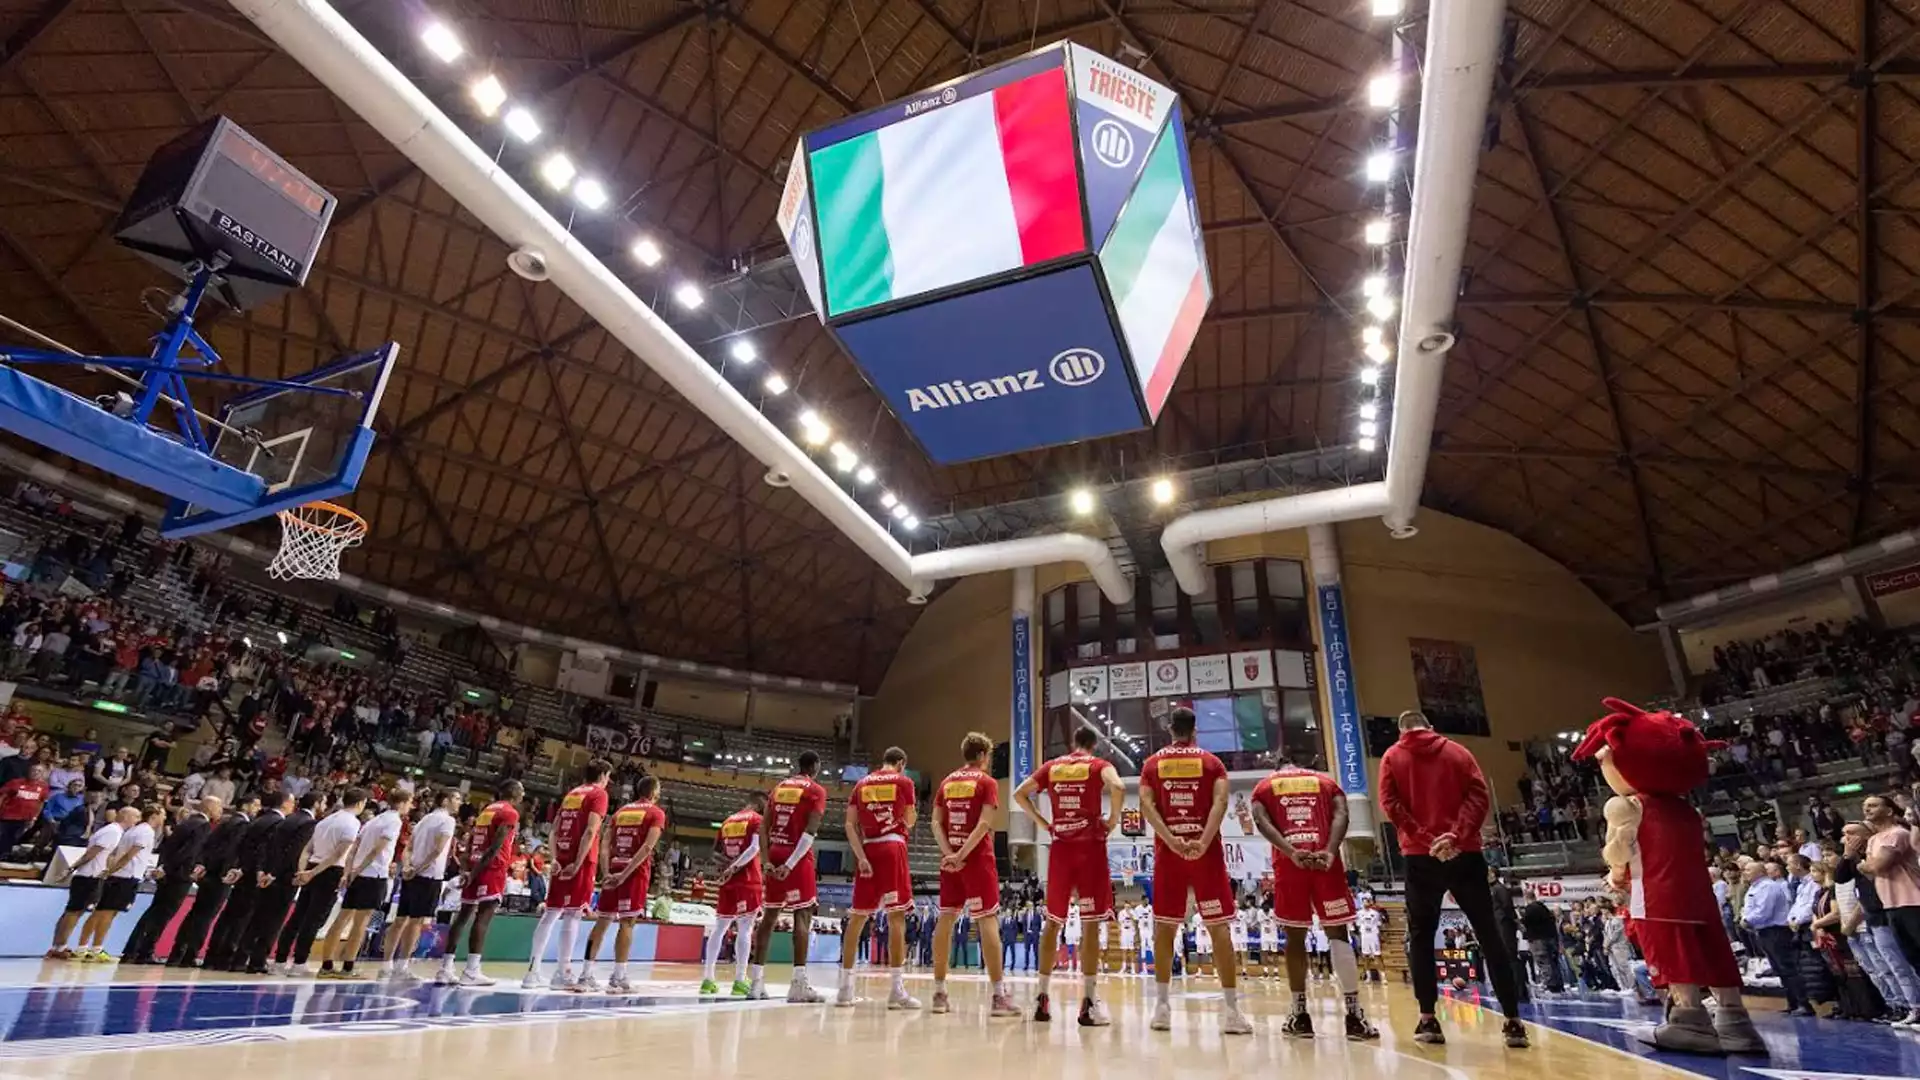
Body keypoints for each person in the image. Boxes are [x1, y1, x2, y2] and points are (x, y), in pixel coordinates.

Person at [1378, 709, 1527, 1048]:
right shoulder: (1458, 752)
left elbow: (1390, 803)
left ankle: (1428, 1019)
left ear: (1402, 731)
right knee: (1489, 933)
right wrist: (1455, 836)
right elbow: (1479, 797)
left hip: (1419, 855)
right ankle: (1513, 1021)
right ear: (1430, 727)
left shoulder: (1392, 756)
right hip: (1465, 853)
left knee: (1420, 935)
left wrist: (1426, 837)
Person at [1139, 706, 1253, 1035]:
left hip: (1169, 855)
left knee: (1165, 929)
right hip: (1207, 855)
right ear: (1195, 730)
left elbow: (1146, 805)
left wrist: (1171, 840)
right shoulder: (1212, 763)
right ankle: (1231, 1012)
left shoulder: (1152, 764)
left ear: (1170, 729)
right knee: (1219, 929)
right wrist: (1202, 841)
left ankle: (1162, 1008)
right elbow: (1220, 804)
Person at [1248, 752, 1377, 1040]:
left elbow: (1259, 820)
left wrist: (1291, 851)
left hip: (1290, 864)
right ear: (1301, 765)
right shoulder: (1325, 782)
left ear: (1277, 767)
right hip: (1324, 862)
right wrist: (1331, 850)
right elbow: (1343, 814)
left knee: (1294, 938)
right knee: (1338, 935)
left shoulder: (1265, 787)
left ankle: (1300, 1015)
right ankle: (1354, 1016)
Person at [1014, 724, 1123, 1025]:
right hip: (1090, 848)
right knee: (1089, 924)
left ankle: (1041, 997)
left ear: (1074, 743)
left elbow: (1020, 794)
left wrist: (1044, 823)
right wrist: (1112, 820)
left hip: (1060, 848)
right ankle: (1088, 1002)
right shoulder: (1099, 765)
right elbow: (1119, 787)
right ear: (1093, 746)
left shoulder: (1052, 767)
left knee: (1052, 923)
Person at [926, 732, 1013, 1016]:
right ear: (983, 756)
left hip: (950, 860)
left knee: (946, 919)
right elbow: (985, 824)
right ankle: (999, 997)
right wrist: (962, 855)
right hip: (976, 860)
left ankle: (939, 993)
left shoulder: (947, 782)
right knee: (987, 920)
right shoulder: (986, 782)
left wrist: (949, 854)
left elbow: (936, 824)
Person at [837, 746, 919, 1009]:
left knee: (857, 918)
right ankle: (896, 990)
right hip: (893, 847)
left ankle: (845, 989)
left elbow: (850, 824)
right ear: (901, 763)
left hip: (868, 848)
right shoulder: (904, 781)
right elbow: (909, 818)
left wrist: (860, 856)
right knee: (897, 918)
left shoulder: (861, 784)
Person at [524, 760, 610, 990]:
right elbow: (591, 830)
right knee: (573, 915)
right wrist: (578, 861)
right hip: (580, 861)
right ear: (602, 775)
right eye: (608, 776)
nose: (608, 781)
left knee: (551, 913)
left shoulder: (572, 793)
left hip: (561, 859)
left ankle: (532, 971)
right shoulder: (599, 794)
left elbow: (553, 830)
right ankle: (563, 972)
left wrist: (554, 858)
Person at [752, 750, 829, 1003]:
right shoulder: (816, 790)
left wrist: (765, 860)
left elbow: (764, 827)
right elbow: (810, 832)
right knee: (802, 916)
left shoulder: (778, 789)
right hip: (797, 856)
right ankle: (798, 984)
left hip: (773, 852)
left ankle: (756, 983)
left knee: (769, 917)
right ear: (815, 767)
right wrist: (791, 863)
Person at [578, 774, 666, 993]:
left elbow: (605, 844)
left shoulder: (620, 812)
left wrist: (607, 872)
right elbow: (647, 848)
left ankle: (585, 975)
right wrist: (625, 874)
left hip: (613, 871)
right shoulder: (656, 813)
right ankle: (618, 977)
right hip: (633, 874)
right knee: (627, 923)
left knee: (602, 921)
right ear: (654, 792)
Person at [433, 780, 523, 986]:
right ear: (513, 793)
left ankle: (445, 968)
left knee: (463, 915)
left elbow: (473, 840)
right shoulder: (510, 813)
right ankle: (472, 970)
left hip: (475, 862)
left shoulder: (487, 810)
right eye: (522, 791)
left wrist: (467, 869)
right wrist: (474, 873)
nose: (523, 795)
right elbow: (494, 847)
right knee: (483, 917)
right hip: (490, 868)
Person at [315, 788, 407, 978]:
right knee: (361, 922)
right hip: (373, 875)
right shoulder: (394, 821)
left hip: (357, 874)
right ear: (403, 803)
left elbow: (355, 846)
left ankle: (326, 965)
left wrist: (349, 871)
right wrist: (357, 870)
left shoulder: (374, 820)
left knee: (342, 918)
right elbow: (377, 849)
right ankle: (348, 967)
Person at [279, 788, 367, 977]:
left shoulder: (326, 819)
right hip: (329, 870)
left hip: (313, 865)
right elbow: (338, 854)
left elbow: (307, 849)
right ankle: (299, 962)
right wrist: (311, 873)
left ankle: (279, 959)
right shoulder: (352, 823)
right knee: (314, 919)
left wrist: (304, 870)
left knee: (299, 915)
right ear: (360, 803)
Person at [124, 797, 218, 964]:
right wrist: (187, 870)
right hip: (179, 876)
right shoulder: (202, 825)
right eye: (219, 807)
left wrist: (163, 867)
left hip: (168, 873)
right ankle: (144, 951)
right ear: (210, 808)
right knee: (162, 915)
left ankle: (133, 950)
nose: (221, 811)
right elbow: (189, 852)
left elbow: (170, 847)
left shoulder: (187, 822)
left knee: (154, 912)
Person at [170, 793, 255, 968]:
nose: (258, 809)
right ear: (246, 806)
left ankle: (177, 953)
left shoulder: (224, 822)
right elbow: (231, 850)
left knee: (195, 914)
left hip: (208, 874)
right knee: (205, 917)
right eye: (255, 805)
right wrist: (227, 871)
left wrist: (203, 865)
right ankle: (189, 955)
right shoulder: (242, 824)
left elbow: (207, 846)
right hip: (218, 877)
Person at [207, 792, 288, 969]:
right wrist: (253, 869)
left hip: (242, 872)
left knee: (229, 916)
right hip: (252, 874)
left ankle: (212, 956)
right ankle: (228, 958)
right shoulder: (276, 823)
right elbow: (262, 850)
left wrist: (238, 867)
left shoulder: (257, 820)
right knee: (242, 919)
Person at [385, 787, 458, 982]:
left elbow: (408, 848)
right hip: (429, 876)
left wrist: (408, 866)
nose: (459, 802)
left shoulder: (424, 819)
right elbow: (438, 850)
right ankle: (402, 966)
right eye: (456, 798)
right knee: (416, 922)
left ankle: (386, 965)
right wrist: (417, 869)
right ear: (445, 801)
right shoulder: (448, 821)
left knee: (400, 919)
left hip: (411, 874)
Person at [241, 792, 318, 975]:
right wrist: (276, 873)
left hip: (268, 873)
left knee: (258, 918)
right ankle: (258, 961)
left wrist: (264, 870)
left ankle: (240, 958)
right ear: (316, 804)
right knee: (273, 921)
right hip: (283, 877)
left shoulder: (288, 819)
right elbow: (295, 852)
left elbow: (268, 846)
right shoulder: (308, 823)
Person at [702, 791, 766, 997]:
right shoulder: (757, 819)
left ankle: (707, 978)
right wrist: (735, 867)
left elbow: (714, 853)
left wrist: (726, 867)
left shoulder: (728, 821)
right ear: (758, 804)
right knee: (745, 929)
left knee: (719, 927)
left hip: (727, 883)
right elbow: (755, 848)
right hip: (747, 880)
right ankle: (740, 980)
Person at [47, 805, 130, 960]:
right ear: (126, 817)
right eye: (136, 817)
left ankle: (58, 945)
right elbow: (92, 853)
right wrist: (71, 868)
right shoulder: (113, 832)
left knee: (73, 911)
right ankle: (59, 947)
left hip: (90, 875)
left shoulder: (114, 831)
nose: (138, 820)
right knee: (74, 912)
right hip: (89, 876)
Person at [86, 803, 161, 962]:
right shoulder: (146, 832)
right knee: (108, 913)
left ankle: (85, 946)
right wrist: (111, 870)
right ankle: (96, 948)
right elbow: (129, 856)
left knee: (100, 912)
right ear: (154, 816)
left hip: (120, 875)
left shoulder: (133, 830)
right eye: (162, 815)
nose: (165, 818)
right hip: (126, 876)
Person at [0, 763, 50, 858]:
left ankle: (5, 856)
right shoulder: (15, 782)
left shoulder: (44, 787)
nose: (36, 772)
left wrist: (34, 818)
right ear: (29, 771)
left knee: (14, 839)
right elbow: (2, 796)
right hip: (7, 816)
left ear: (43, 774)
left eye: (39, 771)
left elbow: (41, 803)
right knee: (4, 837)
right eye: (34, 770)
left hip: (25, 818)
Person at [1521, 891, 1563, 993]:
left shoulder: (1530, 909)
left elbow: (1526, 922)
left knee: (1543, 961)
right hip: (1550, 938)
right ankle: (1558, 985)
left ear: (1526, 898)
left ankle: (1550, 985)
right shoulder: (1544, 908)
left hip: (1538, 939)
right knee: (1553, 961)